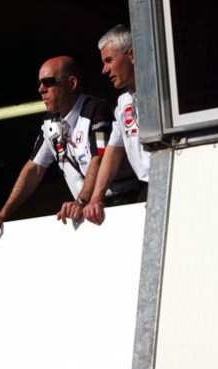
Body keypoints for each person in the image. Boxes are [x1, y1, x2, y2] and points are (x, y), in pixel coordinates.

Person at [0, 56, 114, 234]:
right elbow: (34, 169)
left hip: (119, 204)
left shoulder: (97, 110)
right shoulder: (50, 122)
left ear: (72, 83)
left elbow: (100, 158)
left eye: (48, 82)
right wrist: (3, 214)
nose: (41, 89)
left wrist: (82, 201)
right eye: (40, 83)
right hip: (87, 211)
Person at [83, 24, 151, 226]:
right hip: (148, 187)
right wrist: (96, 199)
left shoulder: (162, 96)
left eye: (109, 60)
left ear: (131, 55)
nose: (104, 70)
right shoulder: (123, 103)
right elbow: (112, 151)